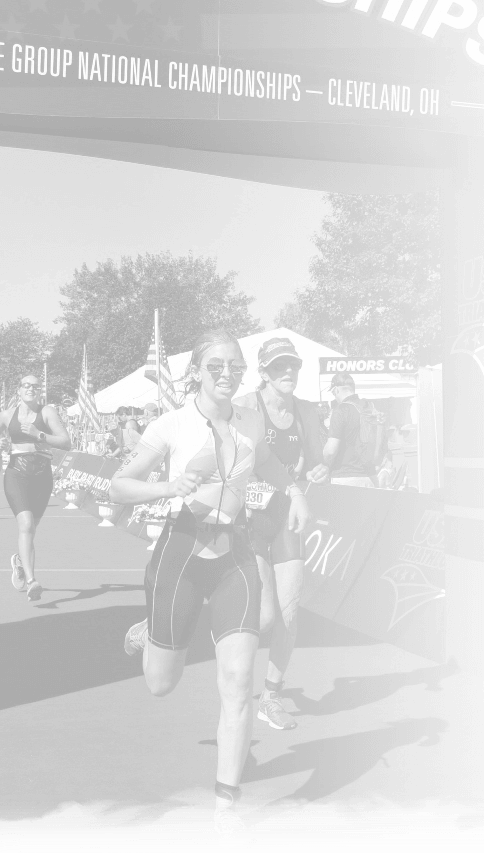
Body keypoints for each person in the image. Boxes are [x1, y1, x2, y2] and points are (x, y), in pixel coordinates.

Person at [110, 329, 310, 847]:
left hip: (235, 557)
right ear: (197, 371)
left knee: (240, 682)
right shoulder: (171, 425)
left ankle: (227, 806)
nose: (226, 373)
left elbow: (266, 461)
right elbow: (119, 485)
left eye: (234, 365)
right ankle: (151, 630)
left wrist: (294, 490)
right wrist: (164, 486)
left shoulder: (249, 422)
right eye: (215, 365)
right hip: (180, 555)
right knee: (161, 683)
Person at [236, 338, 329, 732]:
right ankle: (171, 622)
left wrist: (320, 471)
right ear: (264, 372)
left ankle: (271, 697)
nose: (287, 373)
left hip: (286, 514)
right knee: (264, 615)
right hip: (247, 517)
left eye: (292, 366)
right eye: (278, 367)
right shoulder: (245, 407)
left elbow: (319, 459)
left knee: (289, 615)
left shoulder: (306, 411)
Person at [0, 374, 71, 601]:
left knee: (32, 530)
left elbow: (66, 442)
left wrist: (39, 434)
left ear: (39, 390)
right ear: (19, 390)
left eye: (35, 386)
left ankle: (19, 562)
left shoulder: (47, 412)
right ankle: (32, 581)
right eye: (26, 385)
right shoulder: (7, 415)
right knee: (25, 524)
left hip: (42, 474)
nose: (31, 389)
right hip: (16, 473)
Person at [321, 372, 385, 486]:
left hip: (346, 478)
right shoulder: (369, 407)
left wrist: (323, 462)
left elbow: (330, 451)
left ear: (336, 390)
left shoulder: (341, 410)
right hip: (371, 478)